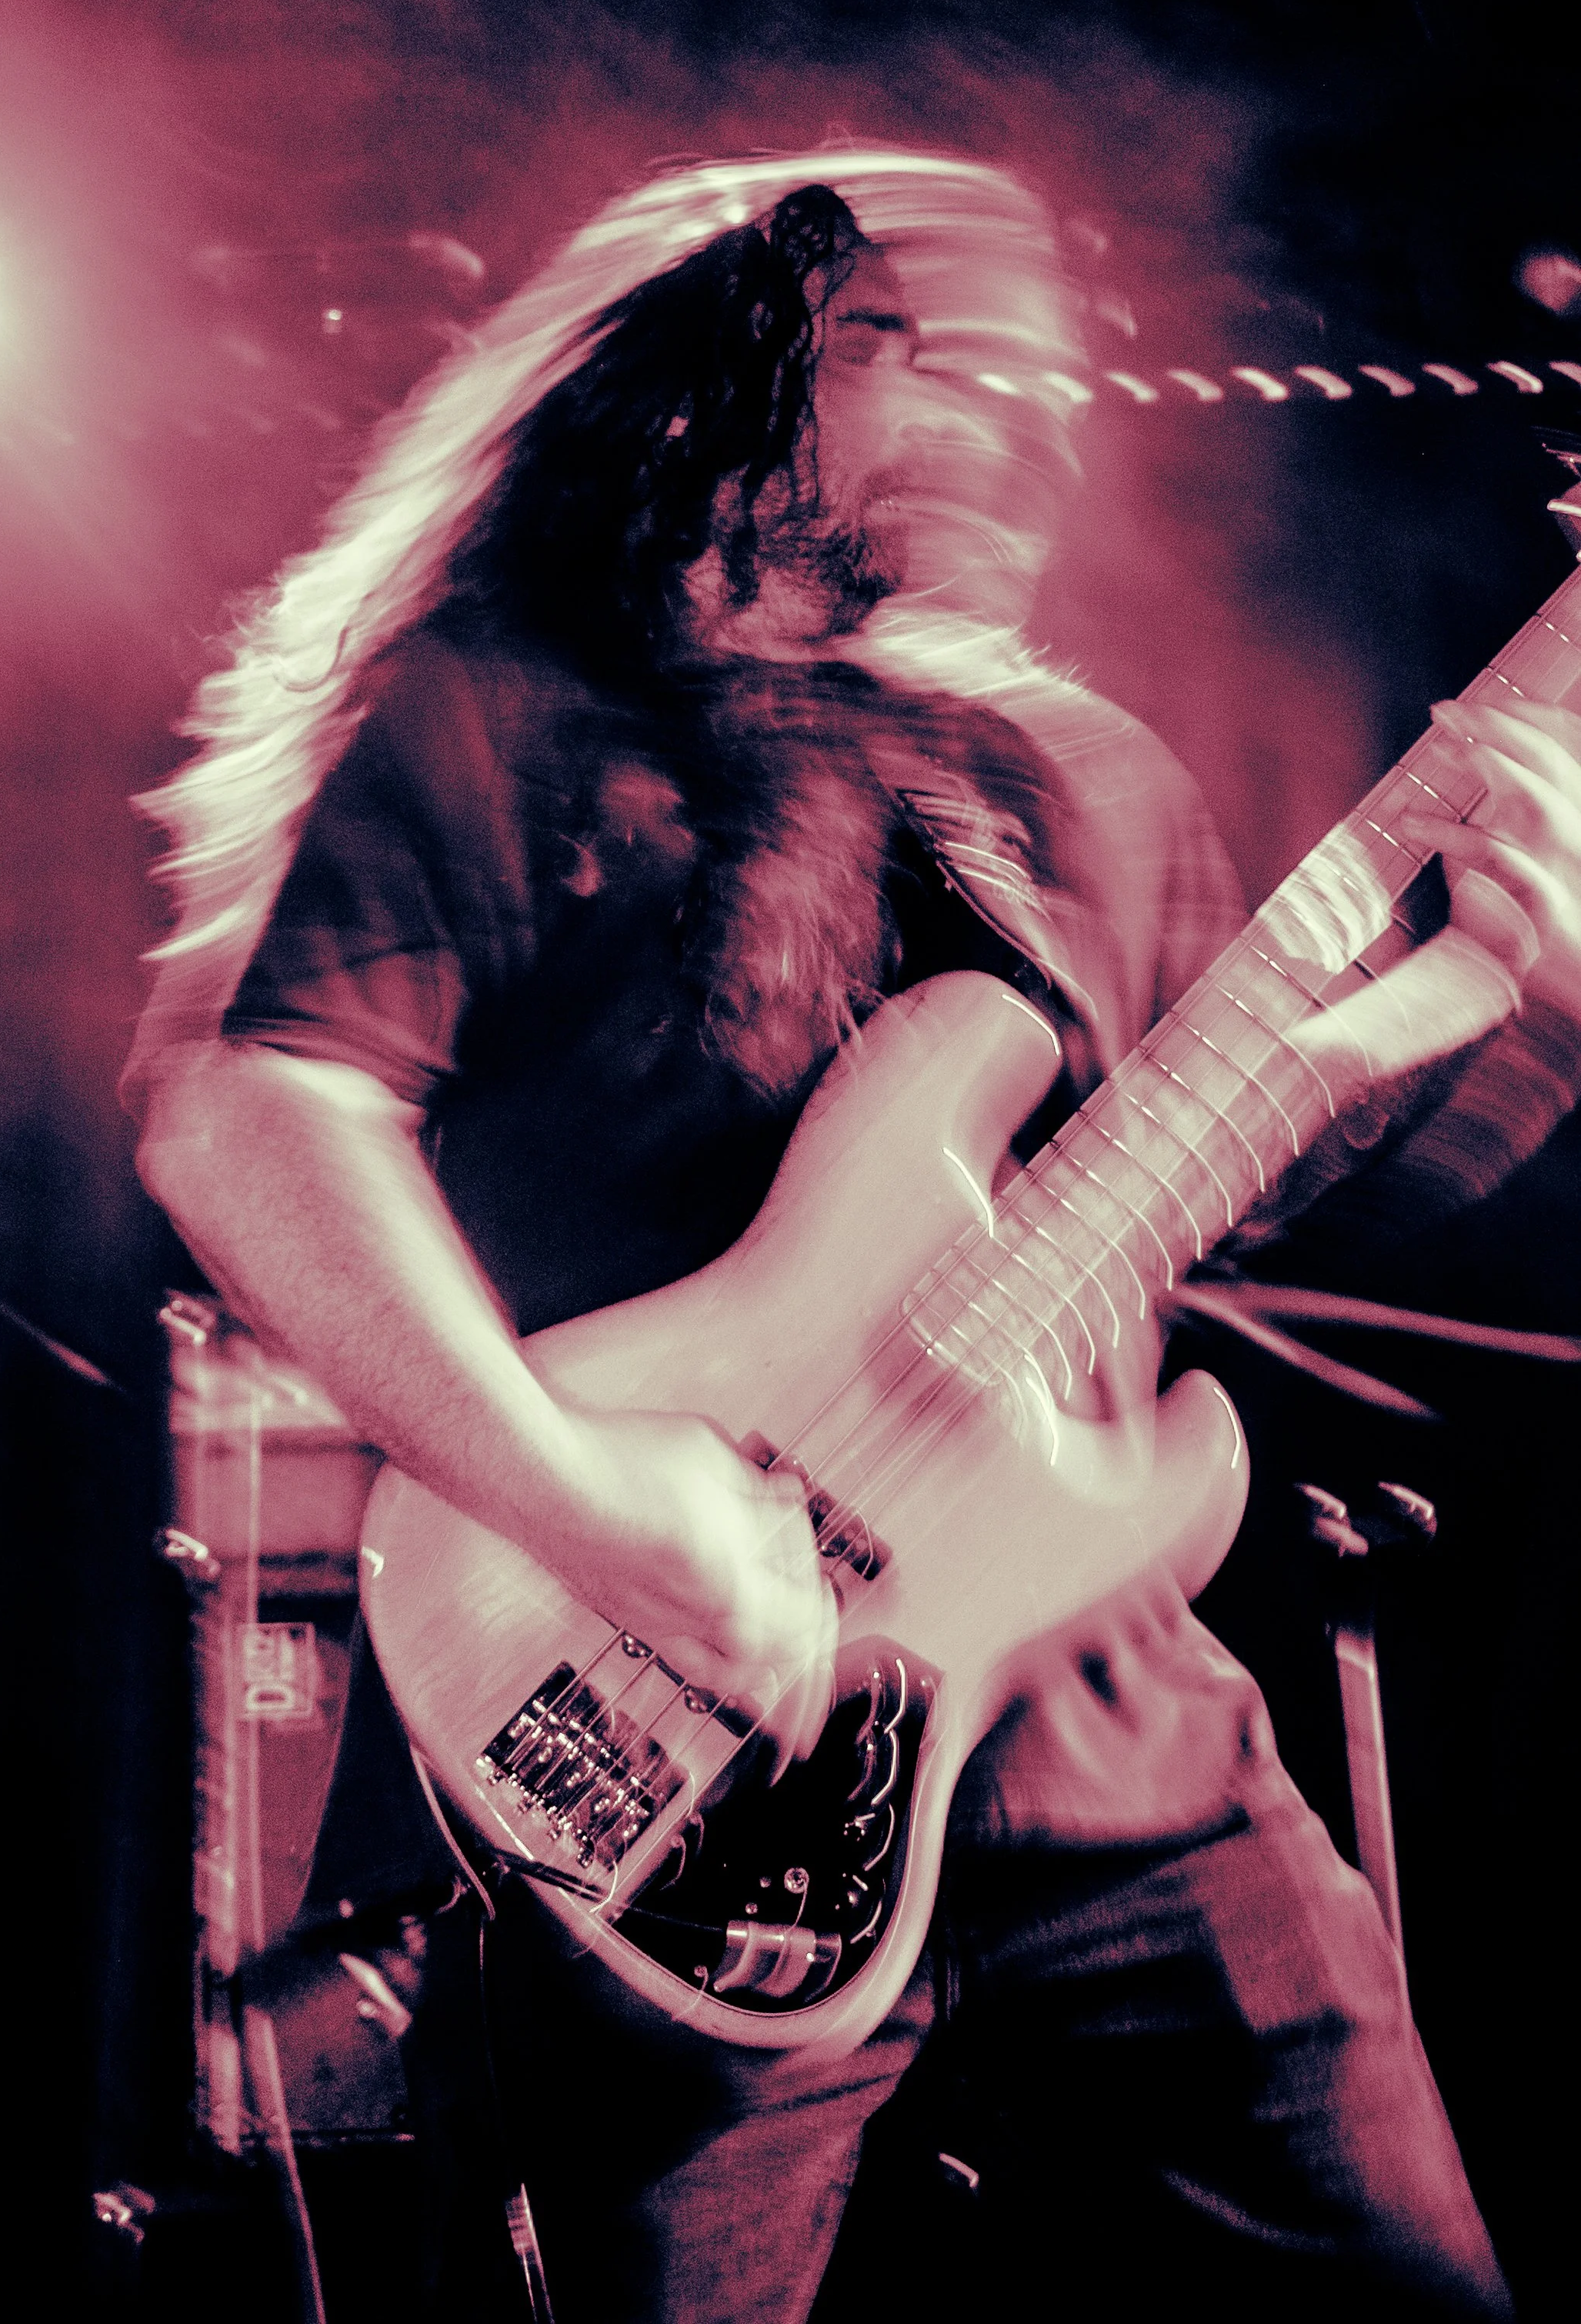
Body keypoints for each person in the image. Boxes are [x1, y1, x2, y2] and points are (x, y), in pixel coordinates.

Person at [130, 152, 1581, 2319]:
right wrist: (592, 1508)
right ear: (758, 377)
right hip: (685, 1729)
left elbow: (1186, 1187)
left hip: (1117, 1743)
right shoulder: (512, 711)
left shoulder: (1067, 782)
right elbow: (253, 1119)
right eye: (953, 361)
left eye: (1050, 380)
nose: (1036, 423)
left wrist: (1476, 994)